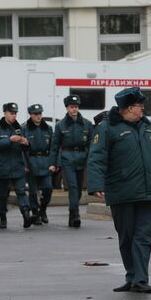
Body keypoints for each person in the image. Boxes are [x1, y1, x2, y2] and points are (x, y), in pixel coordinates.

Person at [87, 87, 151, 294]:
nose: (143, 109)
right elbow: (96, 157)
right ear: (129, 108)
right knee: (127, 237)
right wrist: (95, 185)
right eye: (140, 106)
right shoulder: (107, 128)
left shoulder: (147, 128)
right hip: (122, 191)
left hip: (148, 192)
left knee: (144, 237)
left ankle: (140, 278)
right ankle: (132, 276)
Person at [49, 95, 93, 228]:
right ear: (67, 108)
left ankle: (71, 212)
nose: (74, 109)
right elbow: (55, 146)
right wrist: (53, 163)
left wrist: (91, 159)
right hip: (67, 158)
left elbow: (91, 144)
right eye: (71, 107)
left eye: (76, 107)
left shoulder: (87, 124)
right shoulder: (60, 125)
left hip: (82, 157)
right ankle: (75, 214)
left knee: (79, 189)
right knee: (73, 186)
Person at [0, 102, 35, 229]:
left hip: (17, 166)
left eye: (15, 113)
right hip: (2, 167)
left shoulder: (19, 128)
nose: (14, 115)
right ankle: (2, 217)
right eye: (11, 113)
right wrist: (9, 140)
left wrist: (26, 143)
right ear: (5, 113)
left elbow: (25, 148)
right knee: (3, 195)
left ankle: (26, 216)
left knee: (21, 192)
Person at [22, 104, 53, 224]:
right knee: (33, 192)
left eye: (40, 113)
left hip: (45, 162)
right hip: (31, 162)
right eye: (35, 114)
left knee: (48, 188)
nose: (38, 116)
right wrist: (25, 164)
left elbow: (53, 147)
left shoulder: (48, 128)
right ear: (30, 115)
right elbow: (22, 149)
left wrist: (53, 163)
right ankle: (35, 213)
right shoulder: (24, 128)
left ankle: (43, 210)